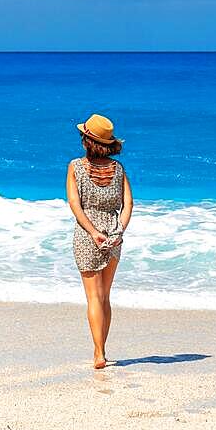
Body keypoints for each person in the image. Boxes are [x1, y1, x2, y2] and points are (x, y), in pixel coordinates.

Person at [66, 114, 134, 370]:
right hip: (114, 234)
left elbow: (75, 204)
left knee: (93, 298)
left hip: (87, 234)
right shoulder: (119, 170)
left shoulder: (75, 166)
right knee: (105, 296)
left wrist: (93, 232)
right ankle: (102, 349)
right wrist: (119, 230)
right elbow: (128, 204)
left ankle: (99, 353)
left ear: (87, 141)